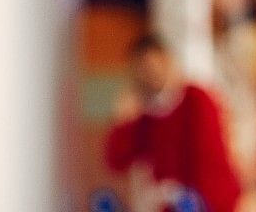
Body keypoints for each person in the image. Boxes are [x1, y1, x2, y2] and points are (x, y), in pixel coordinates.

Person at [104, 32, 243, 212]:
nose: (150, 74)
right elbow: (116, 161)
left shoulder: (197, 100)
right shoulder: (145, 119)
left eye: (154, 66)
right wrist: (122, 122)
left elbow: (210, 163)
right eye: (143, 70)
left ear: (167, 61)